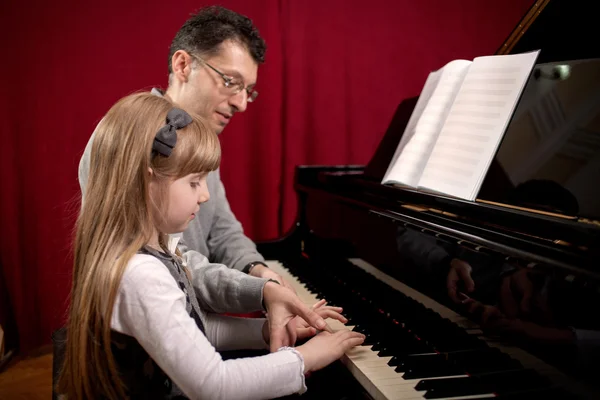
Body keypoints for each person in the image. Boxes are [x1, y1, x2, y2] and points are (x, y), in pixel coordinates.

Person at [58, 92, 365, 399]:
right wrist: (308, 356)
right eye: (195, 182)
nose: (204, 196)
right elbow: (214, 386)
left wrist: (263, 331)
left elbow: (195, 329)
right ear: (146, 180)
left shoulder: (154, 250)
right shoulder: (141, 275)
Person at [78, 5, 292, 289]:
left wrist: (258, 270)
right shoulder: (127, 136)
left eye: (247, 91)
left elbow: (222, 230)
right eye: (231, 82)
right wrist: (259, 293)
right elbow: (170, 261)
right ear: (182, 66)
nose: (241, 104)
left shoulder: (200, 137)